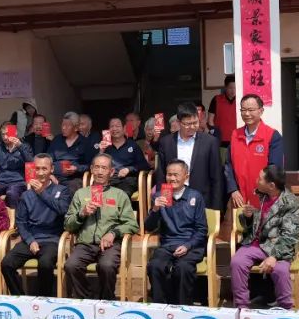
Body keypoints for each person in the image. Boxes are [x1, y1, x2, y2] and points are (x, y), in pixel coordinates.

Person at [63, 154, 139, 300]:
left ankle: (106, 301)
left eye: (104, 168)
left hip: (110, 245)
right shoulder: (80, 194)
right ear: (91, 169)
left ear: (111, 172)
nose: (100, 172)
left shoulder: (120, 195)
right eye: (97, 167)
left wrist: (113, 233)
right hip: (85, 244)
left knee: (106, 266)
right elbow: (68, 225)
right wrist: (81, 213)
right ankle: (86, 299)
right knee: (71, 265)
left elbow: (132, 224)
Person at [229, 165, 299, 309]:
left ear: (271, 185)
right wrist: (248, 217)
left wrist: (274, 256)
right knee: (237, 262)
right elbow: (249, 226)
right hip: (255, 244)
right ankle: (242, 307)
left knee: (280, 270)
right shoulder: (258, 195)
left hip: (277, 247)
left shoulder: (290, 203)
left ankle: (285, 308)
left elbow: (290, 235)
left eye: (260, 179)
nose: (257, 180)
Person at [1, 154, 71, 296]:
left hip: (52, 239)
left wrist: (42, 192)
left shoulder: (62, 190)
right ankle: (20, 298)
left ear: (51, 169)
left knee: (45, 264)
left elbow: (63, 210)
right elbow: (21, 222)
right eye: (37, 169)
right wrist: (30, 240)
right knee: (6, 263)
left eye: (44, 169)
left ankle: (44, 300)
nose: (40, 173)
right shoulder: (26, 195)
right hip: (31, 239)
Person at [144, 160, 208, 305]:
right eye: (169, 175)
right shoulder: (159, 196)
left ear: (186, 176)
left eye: (176, 175)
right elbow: (149, 227)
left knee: (183, 268)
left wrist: (188, 246)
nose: (172, 178)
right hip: (168, 244)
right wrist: (155, 209)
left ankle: (183, 306)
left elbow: (202, 229)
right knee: (155, 266)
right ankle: (160, 306)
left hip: (190, 245)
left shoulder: (195, 196)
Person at [155, 103, 223, 212]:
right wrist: (165, 201)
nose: (192, 127)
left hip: (202, 200)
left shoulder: (210, 142)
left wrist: (216, 208)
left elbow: (216, 177)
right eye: (187, 124)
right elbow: (162, 175)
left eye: (195, 123)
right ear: (179, 122)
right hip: (174, 200)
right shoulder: (166, 143)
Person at [225, 94, 284, 210]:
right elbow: (228, 165)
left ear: (261, 111)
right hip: (239, 199)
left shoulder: (272, 135)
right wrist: (233, 189)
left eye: (251, 110)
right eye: (243, 110)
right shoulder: (235, 135)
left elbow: (274, 170)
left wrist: (264, 193)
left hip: (264, 199)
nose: (247, 114)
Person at [97, 117, 149, 198]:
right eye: (112, 126)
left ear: (124, 128)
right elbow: (95, 166)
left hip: (126, 180)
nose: (114, 129)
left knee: (121, 195)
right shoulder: (104, 146)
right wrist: (101, 151)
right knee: (96, 194)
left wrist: (129, 169)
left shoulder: (132, 145)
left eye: (117, 126)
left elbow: (144, 165)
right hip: (108, 179)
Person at [49, 112, 93, 193]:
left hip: (73, 179)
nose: (63, 128)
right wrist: (50, 175)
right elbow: (48, 160)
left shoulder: (85, 143)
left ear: (76, 128)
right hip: (54, 177)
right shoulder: (57, 140)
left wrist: (77, 168)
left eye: (67, 126)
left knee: (73, 187)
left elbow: (90, 165)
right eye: (62, 125)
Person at [0, 126, 34, 207]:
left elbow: (31, 162)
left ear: (15, 133)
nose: (5, 137)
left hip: (18, 181)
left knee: (11, 193)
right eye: (3, 134)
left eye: (7, 134)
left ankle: (14, 214)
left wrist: (20, 146)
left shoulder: (25, 146)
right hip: (1, 181)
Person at [208, 74, 237, 149]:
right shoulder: (216, 99)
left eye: (235, 87)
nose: (233, 90)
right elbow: (210, 120)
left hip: (237, 138)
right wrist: (215, 133)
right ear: (225, 87)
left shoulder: (241, 100)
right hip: (220, 139)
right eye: (230, 88)